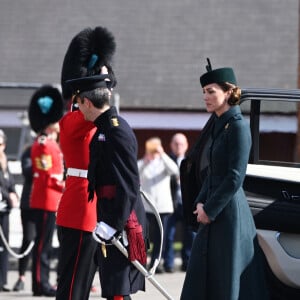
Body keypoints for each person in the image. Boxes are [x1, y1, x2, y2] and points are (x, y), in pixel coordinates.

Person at [180, 60, 269, 300]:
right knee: (202, 279)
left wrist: (209, 209)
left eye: (211, 91)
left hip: (228, 216)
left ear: (229, 92)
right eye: (203, 92)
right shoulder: (220, 125)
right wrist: (200, 202)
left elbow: (234, 177)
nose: (206, 97)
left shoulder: (238, 127)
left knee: (224, 281)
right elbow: (212, 172)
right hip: (213, 212)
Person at [65, 74, 148, 300]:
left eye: (79, 104)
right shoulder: (104, 129)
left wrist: (114, 224)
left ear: (87, 103)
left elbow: (129, 183)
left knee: (117, 291)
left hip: (120, 219)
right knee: (114, 289)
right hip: (108, 214)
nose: (78, 110)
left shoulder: (115, 130)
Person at [55, 26, 117, 300]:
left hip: (88, 207)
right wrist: (103, 78)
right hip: (82, 209)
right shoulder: (76, 120)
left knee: (80, 281)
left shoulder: (81, 118)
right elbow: (102, 103)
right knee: (74, 286)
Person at [28, 85, 65, 297]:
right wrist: (64, 185)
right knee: (43, 246)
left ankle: (41, 283)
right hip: (46, 199)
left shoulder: (49, 143)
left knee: (46, 245)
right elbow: (47, 176)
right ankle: (41, 284)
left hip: (50, 199)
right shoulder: (43, 144)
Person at [138, 137, 179, 273]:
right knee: (145, 235)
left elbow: (175, 171)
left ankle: (156, 262)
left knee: (161, 236)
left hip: (163, 206)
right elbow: (136, 172)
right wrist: (145, 159)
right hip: (147, 206)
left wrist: (162, 154)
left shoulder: (164, 163)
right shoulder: (143, 163)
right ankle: (142, 262)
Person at [163, 133, 195, 273]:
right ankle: (168, 264)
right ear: (171, 145)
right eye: (176, 144)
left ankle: (187, 263)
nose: (178, 147)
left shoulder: (191, 160)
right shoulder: (166, 160)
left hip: (187, 203)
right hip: (171, 203)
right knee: (169, 235)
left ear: (186, 145)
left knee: (190, 235)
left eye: (181, 144)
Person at [12, 142, 36, 292]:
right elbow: (27, 171)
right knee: (28, 239)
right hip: (30, 203)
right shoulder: (29, 152)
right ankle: (21, 276)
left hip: (50, 203)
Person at [0, 129, 19, 292]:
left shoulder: (5, 162)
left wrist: (13, 193)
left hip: (4, 210)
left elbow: (9, 183)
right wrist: (8, 195)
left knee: (4, 246)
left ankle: (2, 280)